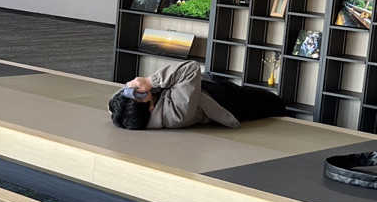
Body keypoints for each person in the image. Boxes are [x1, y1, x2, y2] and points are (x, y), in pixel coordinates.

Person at [108, 60, 287, 130]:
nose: (138, 91)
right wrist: (150, 80)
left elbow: (114, 101)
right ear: (151, 108)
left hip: (206, 87)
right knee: (274, 103)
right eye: (138, 95)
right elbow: (190, 68)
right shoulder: (176, 114)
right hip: (228, 102)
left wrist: (131, 87)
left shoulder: (127, 114)